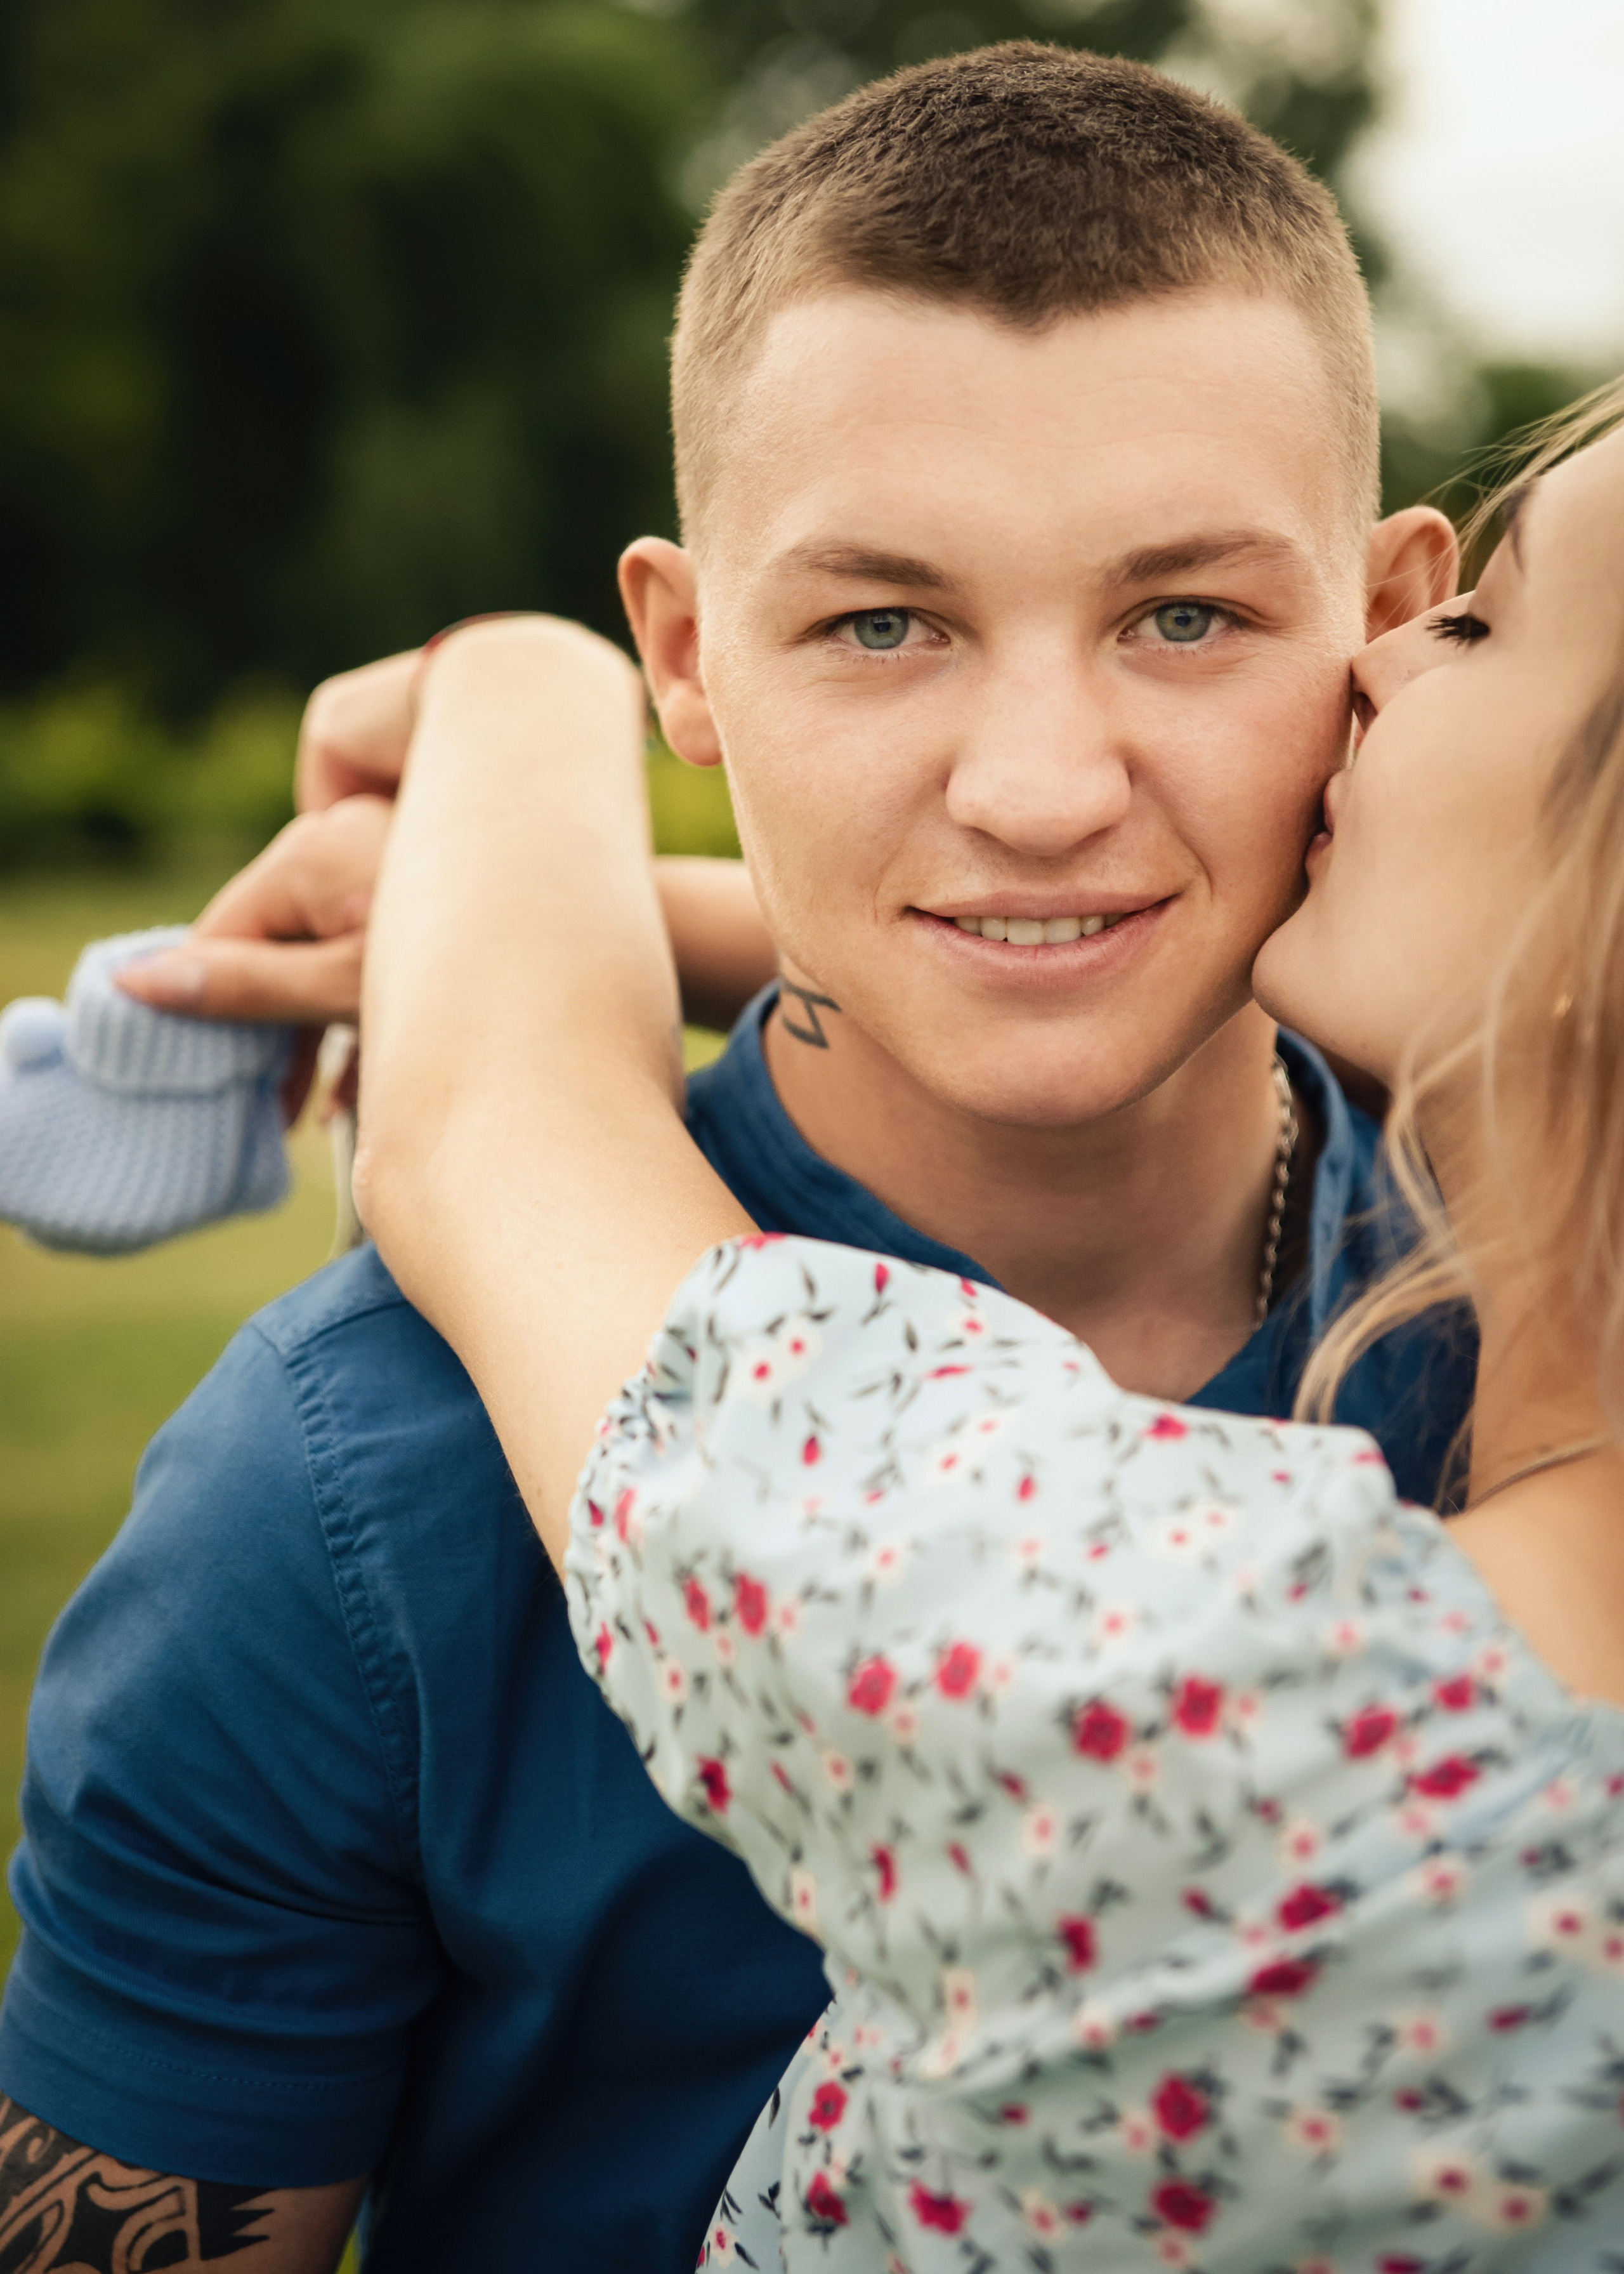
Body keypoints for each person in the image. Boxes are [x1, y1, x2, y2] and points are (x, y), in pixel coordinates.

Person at [0, 44, 1465, 2273]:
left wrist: (526, 758)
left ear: (1388, 621)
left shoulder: (1562, 1301)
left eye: (1188, 616)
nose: (1044, 788)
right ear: (686, 655)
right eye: (885, 623)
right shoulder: (338, 1503)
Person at [352, 383, 1624, 2266]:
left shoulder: (1257, 1715)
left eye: (1489, 624)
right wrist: (948, 927)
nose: (1384, 670)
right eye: (883, 623)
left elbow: (489, 1132)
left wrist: (515, 686)